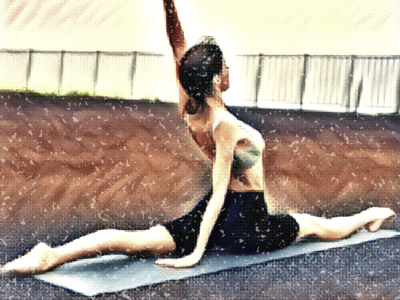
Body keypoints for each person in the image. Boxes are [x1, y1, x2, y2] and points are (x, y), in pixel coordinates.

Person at [2, 0, 396, 274]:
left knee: (140, 241)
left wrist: (168, 5)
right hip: (246, 223)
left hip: (218, 213)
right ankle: (371, 214)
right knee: (317, 227)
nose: (229, 70)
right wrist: (193, 255)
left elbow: (177, 44)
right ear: (213, 78)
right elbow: (220, 193)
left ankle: (51, 255)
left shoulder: (191, 107)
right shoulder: (225, 126)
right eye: (224, 67)